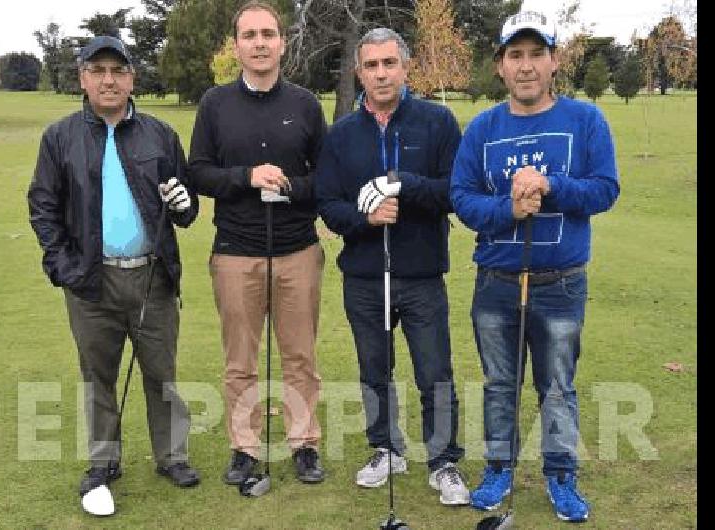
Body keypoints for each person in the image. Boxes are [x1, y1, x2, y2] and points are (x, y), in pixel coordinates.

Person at [450, 11, 620, 523]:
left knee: (558, 386)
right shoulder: (482, 128)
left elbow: (605, 189)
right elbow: (461, 198)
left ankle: (561, 473)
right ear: (500, 66)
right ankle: (498, 467)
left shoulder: (585, 120)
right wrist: (508, 208)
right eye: (515, 56)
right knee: (501, 384)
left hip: (562, 284)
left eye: (536, 54)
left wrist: (551, 187)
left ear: (554, 61)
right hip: (497, 283)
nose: (526, 66)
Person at [27, 35, 201, 502]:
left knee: (160, 372)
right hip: (90, 279)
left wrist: (185, 206)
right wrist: (64, 266)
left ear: (132, 78)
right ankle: (104, 462)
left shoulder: (159, 134)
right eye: (98, 71)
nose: (109, 80)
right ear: (83, 78)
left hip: (153, 276)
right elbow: (42, 206)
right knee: (98, 376)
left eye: (118, 71)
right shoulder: (60, 137)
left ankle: (172, 457)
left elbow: (185, 206)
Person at [314, 28, 468, 506]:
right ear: (359, 72)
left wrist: (403, 184)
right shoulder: (341, 133)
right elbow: (327, 204)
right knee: (374, 371)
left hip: (421, 274)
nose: (381, 73)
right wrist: (366, 217)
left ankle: (443, 460)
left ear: (406, 67)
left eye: (389, 63)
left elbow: (453, 192)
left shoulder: (437, 122)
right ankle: (385, 448)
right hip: (363, 276)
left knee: (433, 372)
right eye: (371, 65)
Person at [187, 0, 328, 485]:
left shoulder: (306, 104)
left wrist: (290, 184)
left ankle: (305, 445)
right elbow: (199, 171)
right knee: (240, 360)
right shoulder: (214, 104)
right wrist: (247, 177)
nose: (260, 43)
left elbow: (325, 180)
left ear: (283, 42)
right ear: (237, 45)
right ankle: (244, 448)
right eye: (250, 35)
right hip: (235, 252)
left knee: (300, 357)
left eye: (268, 34)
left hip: (297, 251)